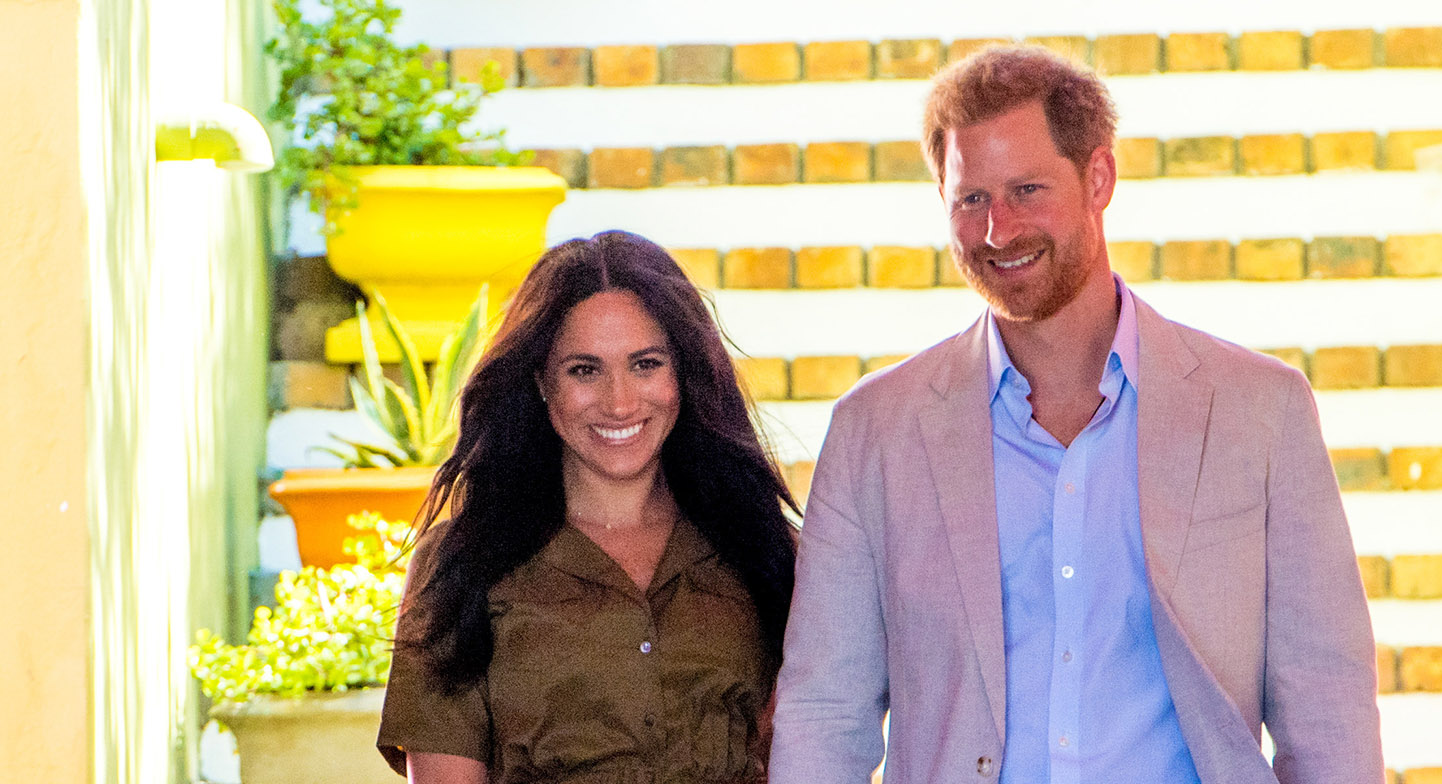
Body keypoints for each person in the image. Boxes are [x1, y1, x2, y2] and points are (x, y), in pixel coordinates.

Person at [768, 46, 1382, 784]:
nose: (998, 230)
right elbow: (824, 715)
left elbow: (1327, 707)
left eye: (1027, 190)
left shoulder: (1259, 411)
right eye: (970, 199)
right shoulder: (873, 431)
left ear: (1099, 178)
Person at [379, 230, 799, 783]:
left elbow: (818, 749)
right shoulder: (462, 566)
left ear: (683, 372)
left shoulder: (766, 552)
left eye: (646, 364)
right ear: (541, 381)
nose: (619, 402)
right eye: (584, 369)